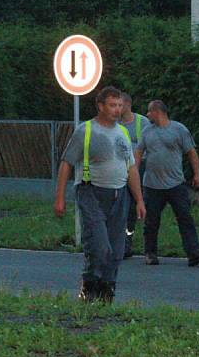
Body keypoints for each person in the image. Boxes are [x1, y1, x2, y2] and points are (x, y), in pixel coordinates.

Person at [54, 86, 146, 303]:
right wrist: (59, 198)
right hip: (91, 192)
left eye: (120, 105)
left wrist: (139, 199)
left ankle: (107, 290)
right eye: (113, 105)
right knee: (99, 244)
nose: (117, 110)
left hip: (119, 195)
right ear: (101, 106)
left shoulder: (122, 133)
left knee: (116, 248)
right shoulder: (86, 131)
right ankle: (89, 284)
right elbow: (67, 163)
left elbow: (131, 168)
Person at [134, 100, 199, 267]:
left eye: (149, 111)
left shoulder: (179, 130)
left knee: (185, 217)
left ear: (157, 112)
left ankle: (194, 252)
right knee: (151, 221)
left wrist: (197, 174)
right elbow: (138, 154)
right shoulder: (147, 132)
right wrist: (134, 174)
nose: (147, 115)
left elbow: (191, 152)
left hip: (176, 184)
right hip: (152, 185)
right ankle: (150, 253)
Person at [119, 92, 149, 258]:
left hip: (139, 168)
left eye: (120, 105)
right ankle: (122, 242)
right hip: (120, 167)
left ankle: (132, 242)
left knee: (136, 207)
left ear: (128, 105)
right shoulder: (113, 123)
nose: (117, 108)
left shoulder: (142, 122)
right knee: (122, 207)